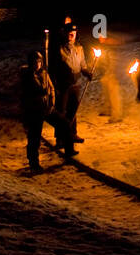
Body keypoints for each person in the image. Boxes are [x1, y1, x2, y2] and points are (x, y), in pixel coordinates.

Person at [19, 50, 65, 171]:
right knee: (34, 138)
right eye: (35, 62)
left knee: (63, 123)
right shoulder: (27, 76)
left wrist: (51, 105)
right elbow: (36, 91)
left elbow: (51, 89)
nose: (37, 64)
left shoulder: (44, 73)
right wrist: (41, 90)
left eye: (39, 61)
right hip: (34, 111)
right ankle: (34, 163)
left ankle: (67, 148)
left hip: (46, 109)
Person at [54, 24, 92, 156]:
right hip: (64, 84)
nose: (72, 34)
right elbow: (55, 68)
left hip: (76, 83)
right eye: (69, 32)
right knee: (62, 111)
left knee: (73, 110)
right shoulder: (59, 49)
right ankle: (59, 139)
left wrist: (87, 73)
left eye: (74, 33)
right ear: (65, 34)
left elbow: (82, 65)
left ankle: (73, 134)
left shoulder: (79, 48)